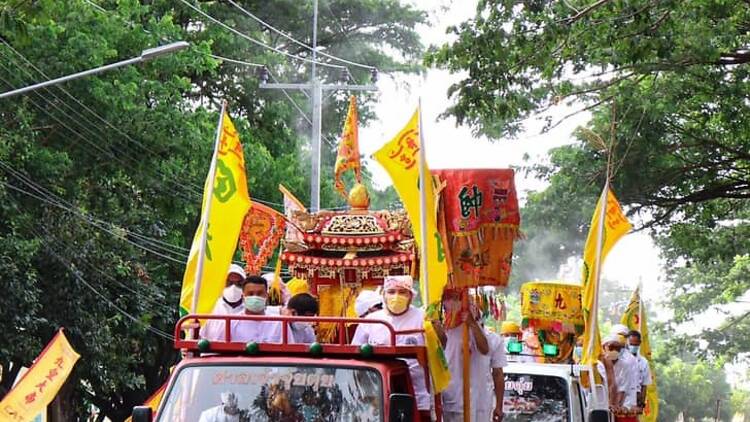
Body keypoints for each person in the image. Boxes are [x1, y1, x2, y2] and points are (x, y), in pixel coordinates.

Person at [351, 275, 431, 421]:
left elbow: (439, 349)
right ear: (384, 295)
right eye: (392, 291)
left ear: (411, 296)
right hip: (376, 396)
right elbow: (354, 356)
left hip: (417, 395)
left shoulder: (423, 318)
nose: (396, 296)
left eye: (402, 292)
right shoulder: (371, 321)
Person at [439, 289, 506, 422]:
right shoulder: (445, 333)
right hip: (453, 401)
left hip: (480, 403)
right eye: (450, 298)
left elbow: (486, 352)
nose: (453, 302)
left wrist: (498, 406)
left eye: (457, 298)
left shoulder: (492, 338)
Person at [230, 275, 285, 343]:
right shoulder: (231, 323)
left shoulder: (279, 323)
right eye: (250, 294)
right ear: (243, 297)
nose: (255, 297)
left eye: (259, 294)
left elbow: (290, 349)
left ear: (266, 296)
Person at [200, 264, 246, 341]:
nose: (233, 287)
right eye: (229, 283)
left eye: (239, 284)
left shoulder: (249, 310)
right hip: (212, 352)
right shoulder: (210, 308)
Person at [597, 333, 638, 418]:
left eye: (617, 348)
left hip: (618, 406)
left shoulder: (625, 365)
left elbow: (622, 389)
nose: (614, 351)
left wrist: (615, 406)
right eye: (611, 348)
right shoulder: (597, 365)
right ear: (604, 348)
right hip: (598, 404)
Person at [627, 330, 653, 408]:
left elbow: (644, 385)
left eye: (635, 344)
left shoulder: (643, 362)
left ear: (639, 343)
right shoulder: (622, 359)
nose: (633, 347)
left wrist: (642, 403)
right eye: (631, 344)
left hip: (636, 399)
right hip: (623, 399)